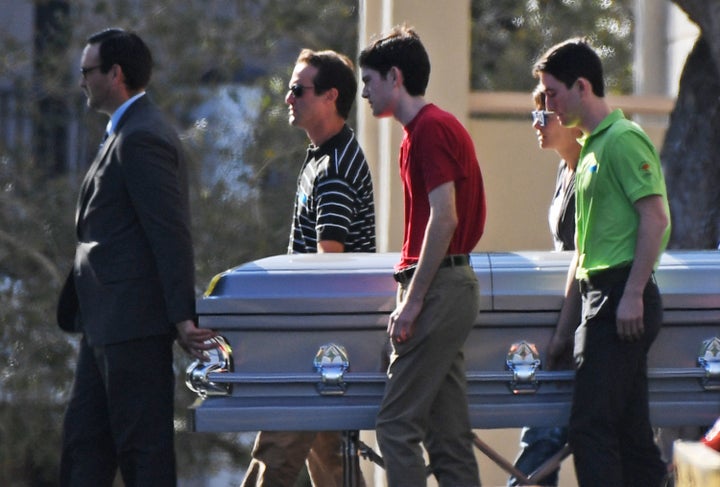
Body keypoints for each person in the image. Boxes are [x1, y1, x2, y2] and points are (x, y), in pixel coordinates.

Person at [57, 28, 218, 486]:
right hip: (102, 325)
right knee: (84, 449)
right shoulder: (123, 133)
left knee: (143, 454)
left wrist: (182, 316)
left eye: (87, 71)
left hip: (133, 328)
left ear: (116, 73)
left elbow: (169, 231)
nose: (82, 81)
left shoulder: (142, 136)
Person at [533, 38, 671, 487]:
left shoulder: (623, 140)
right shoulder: (589, 149)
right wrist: (563, 331)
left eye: (553, 94)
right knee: (631, 437)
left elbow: (655, 217)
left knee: (589, 429)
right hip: (601, 296)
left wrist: (632, 293)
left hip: (619, 298)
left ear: (582, 86)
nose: (548, 105)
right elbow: (584, 252)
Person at [241, 48, 375, 487]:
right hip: (327, 345)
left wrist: (289, 339)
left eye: (298, 90)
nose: (288, 98)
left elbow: (327, 269)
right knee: (335, 471)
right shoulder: (321, 157)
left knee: (273, 462)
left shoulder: (334, 167)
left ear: (330, 97)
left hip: (319, 346)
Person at [359, 25, 486, 486]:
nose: (365, 93)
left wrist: (412, 302)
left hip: (437, 290)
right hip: (449, 287)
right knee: (449, 438)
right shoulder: (420, 133)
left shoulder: (430, 130)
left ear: (395, 77)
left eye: (369, 81)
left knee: (395, 426)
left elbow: (445, 218)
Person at [508, 87, 583, 487]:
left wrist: (563, 332)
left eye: (545, 116)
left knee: (544, 441)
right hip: (561, 319)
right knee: (541, 440)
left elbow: (582, 258)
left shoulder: (589, 166)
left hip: (579, 322)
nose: (536, 124)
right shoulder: (564, 169)